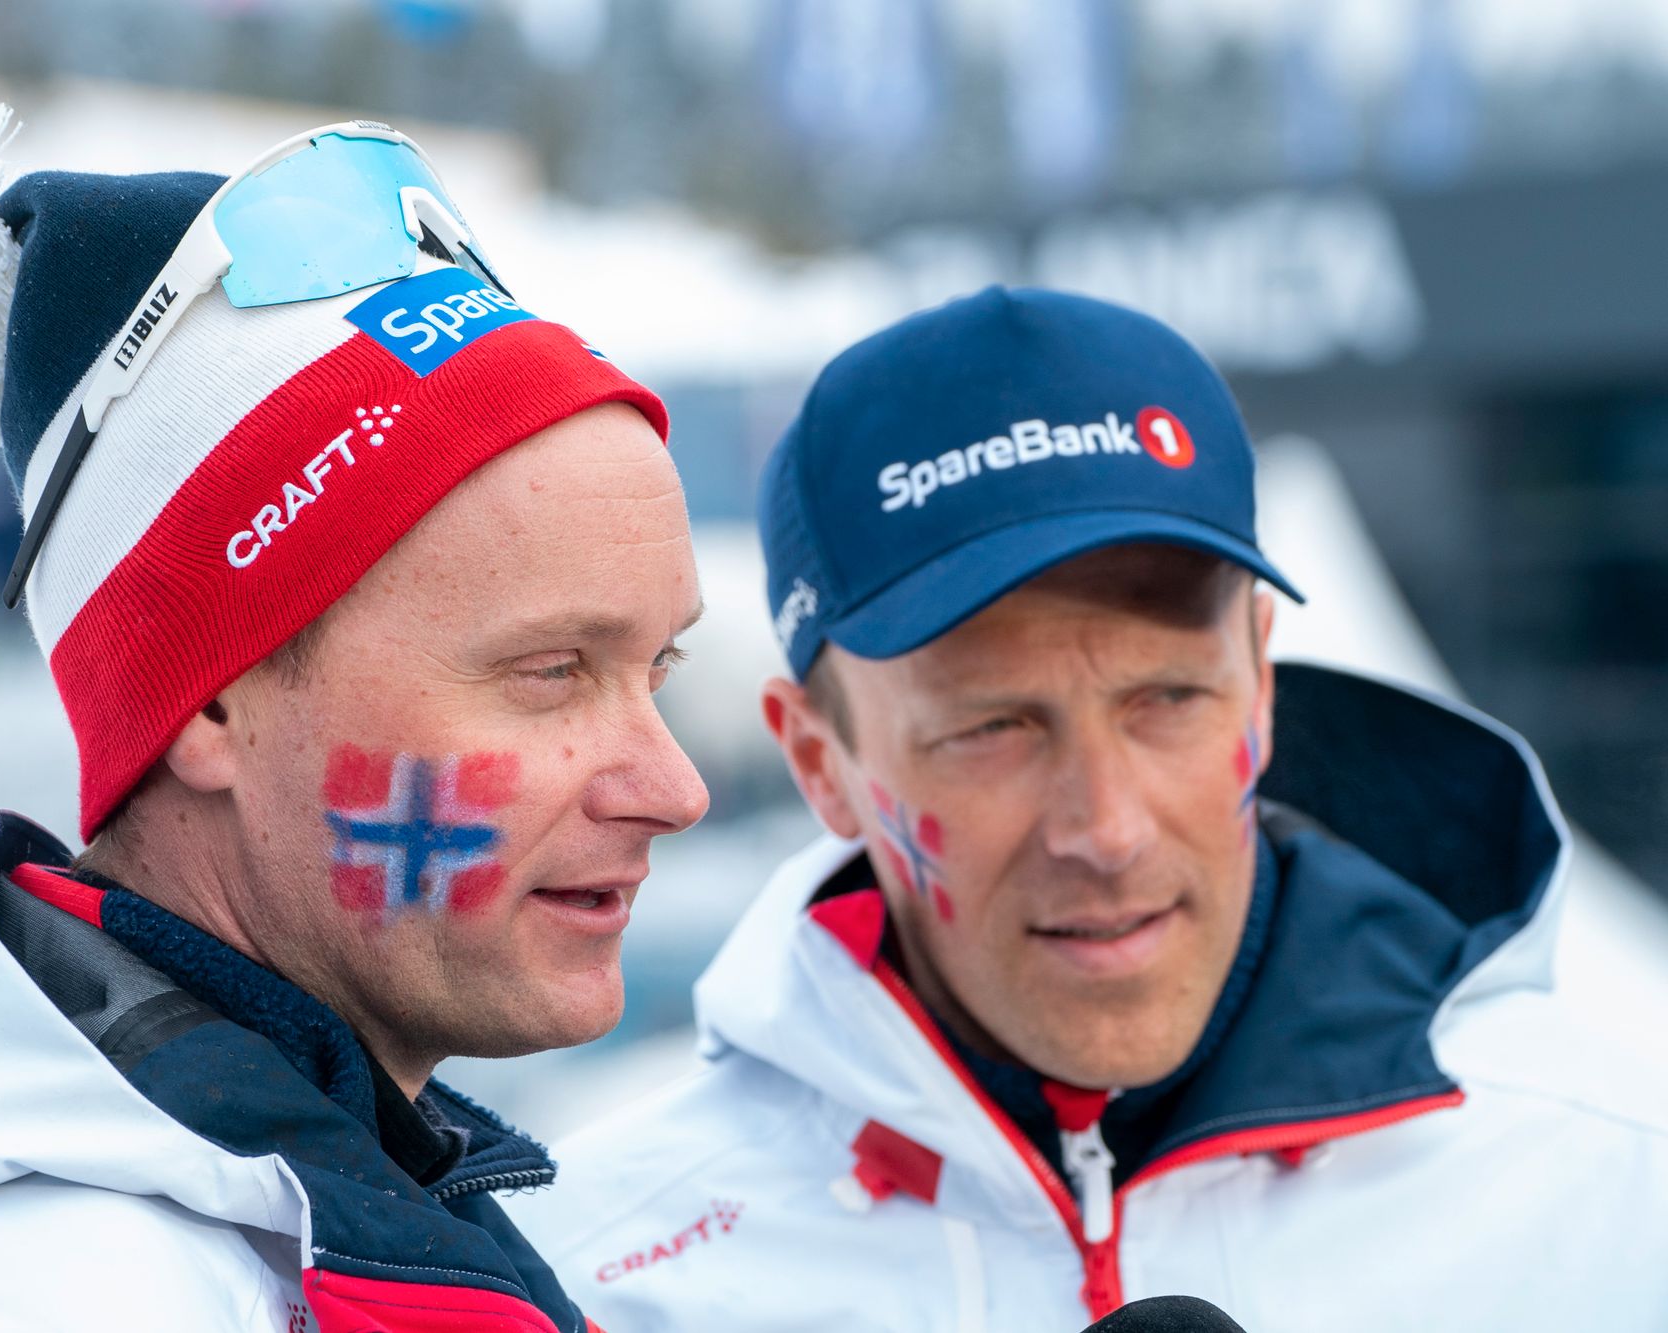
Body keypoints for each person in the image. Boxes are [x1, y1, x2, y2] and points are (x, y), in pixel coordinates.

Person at [0, 99, 707, 1332]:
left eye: (657, 668)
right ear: (211, 699)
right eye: (550, 671)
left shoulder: (327, 1220)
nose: (673, 788)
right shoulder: (17, 1299)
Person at [508, 286, 1668, 1329]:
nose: (1104, 831)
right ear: (821, 762)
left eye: (1167, 698)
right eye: (990, 728)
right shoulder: (590, 1284)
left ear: (1259, 684)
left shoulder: (1612, 1180)